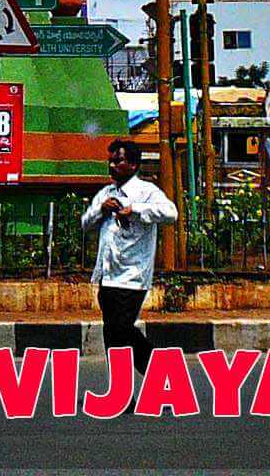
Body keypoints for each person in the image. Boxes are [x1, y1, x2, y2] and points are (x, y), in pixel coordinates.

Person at [80, 139, 177, 377]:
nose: (112, 165)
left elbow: (170, 213)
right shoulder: (106, 193)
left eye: (119, 160)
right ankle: (123, 392)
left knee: (122, 329)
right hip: (107, 276)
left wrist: (135, 210)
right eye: (111, 160)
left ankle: (161, 375)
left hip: (133, 276)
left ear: (133, 165)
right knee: (113, 336)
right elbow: (85, 224)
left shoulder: (147, 192)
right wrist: (100, 210)